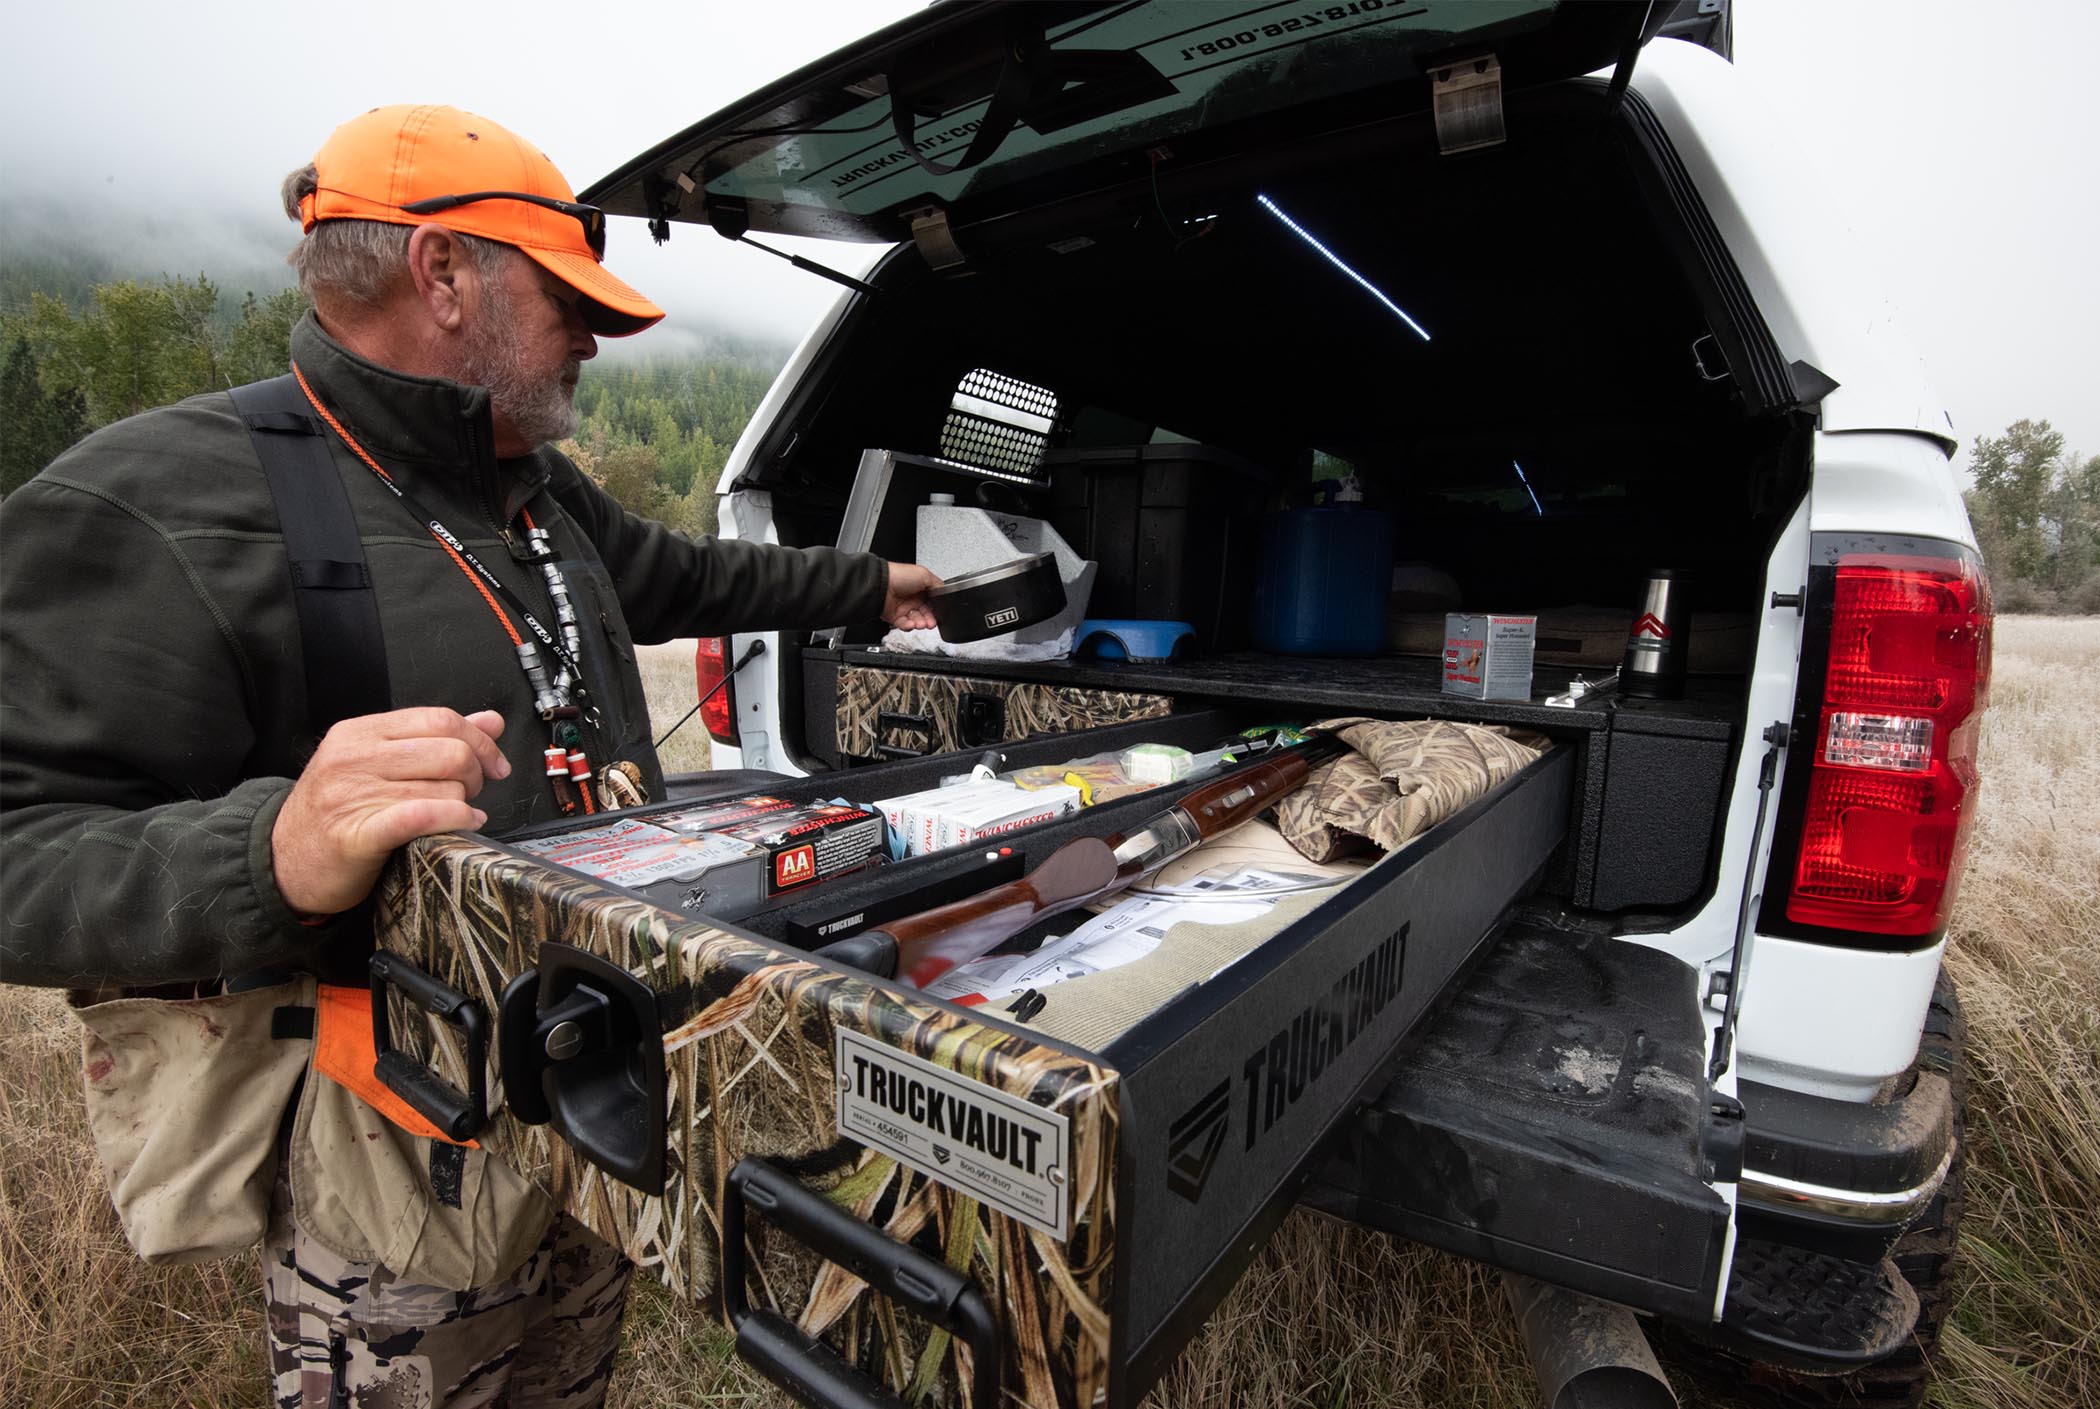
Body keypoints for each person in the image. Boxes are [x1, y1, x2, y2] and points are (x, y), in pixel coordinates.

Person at [0, 104, 939, 1407]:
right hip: (397, 1165)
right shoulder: (162, 503)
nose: (596, 336)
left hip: (605, 1097)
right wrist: (266, 850)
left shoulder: (533, 488)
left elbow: (694, 571)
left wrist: (883, 583)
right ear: (442, 274)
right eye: (567, 298)